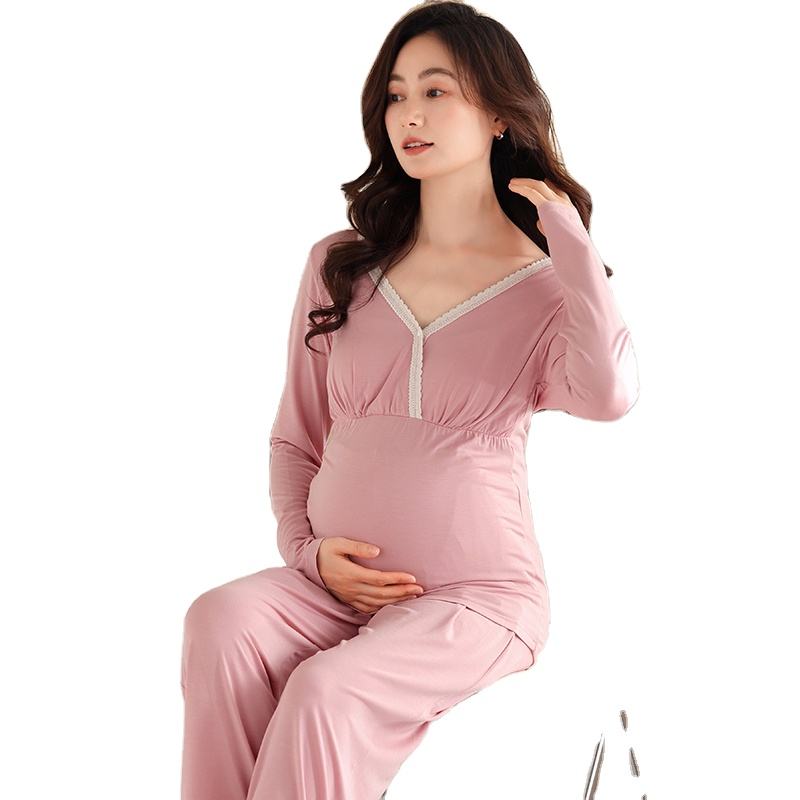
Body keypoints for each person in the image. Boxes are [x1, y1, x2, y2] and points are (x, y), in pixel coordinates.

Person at [180, 2, 640, 798]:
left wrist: (568, 238)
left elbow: (609, 396)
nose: (410, 115)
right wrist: (307, 553)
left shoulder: (543, 286)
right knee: (219, 619)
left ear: (498, 114)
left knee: (326, 692)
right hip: (329, 589)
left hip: (476, 599)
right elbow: (296, 440)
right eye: (396, 95)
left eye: (436, 91)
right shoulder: (341, 267)